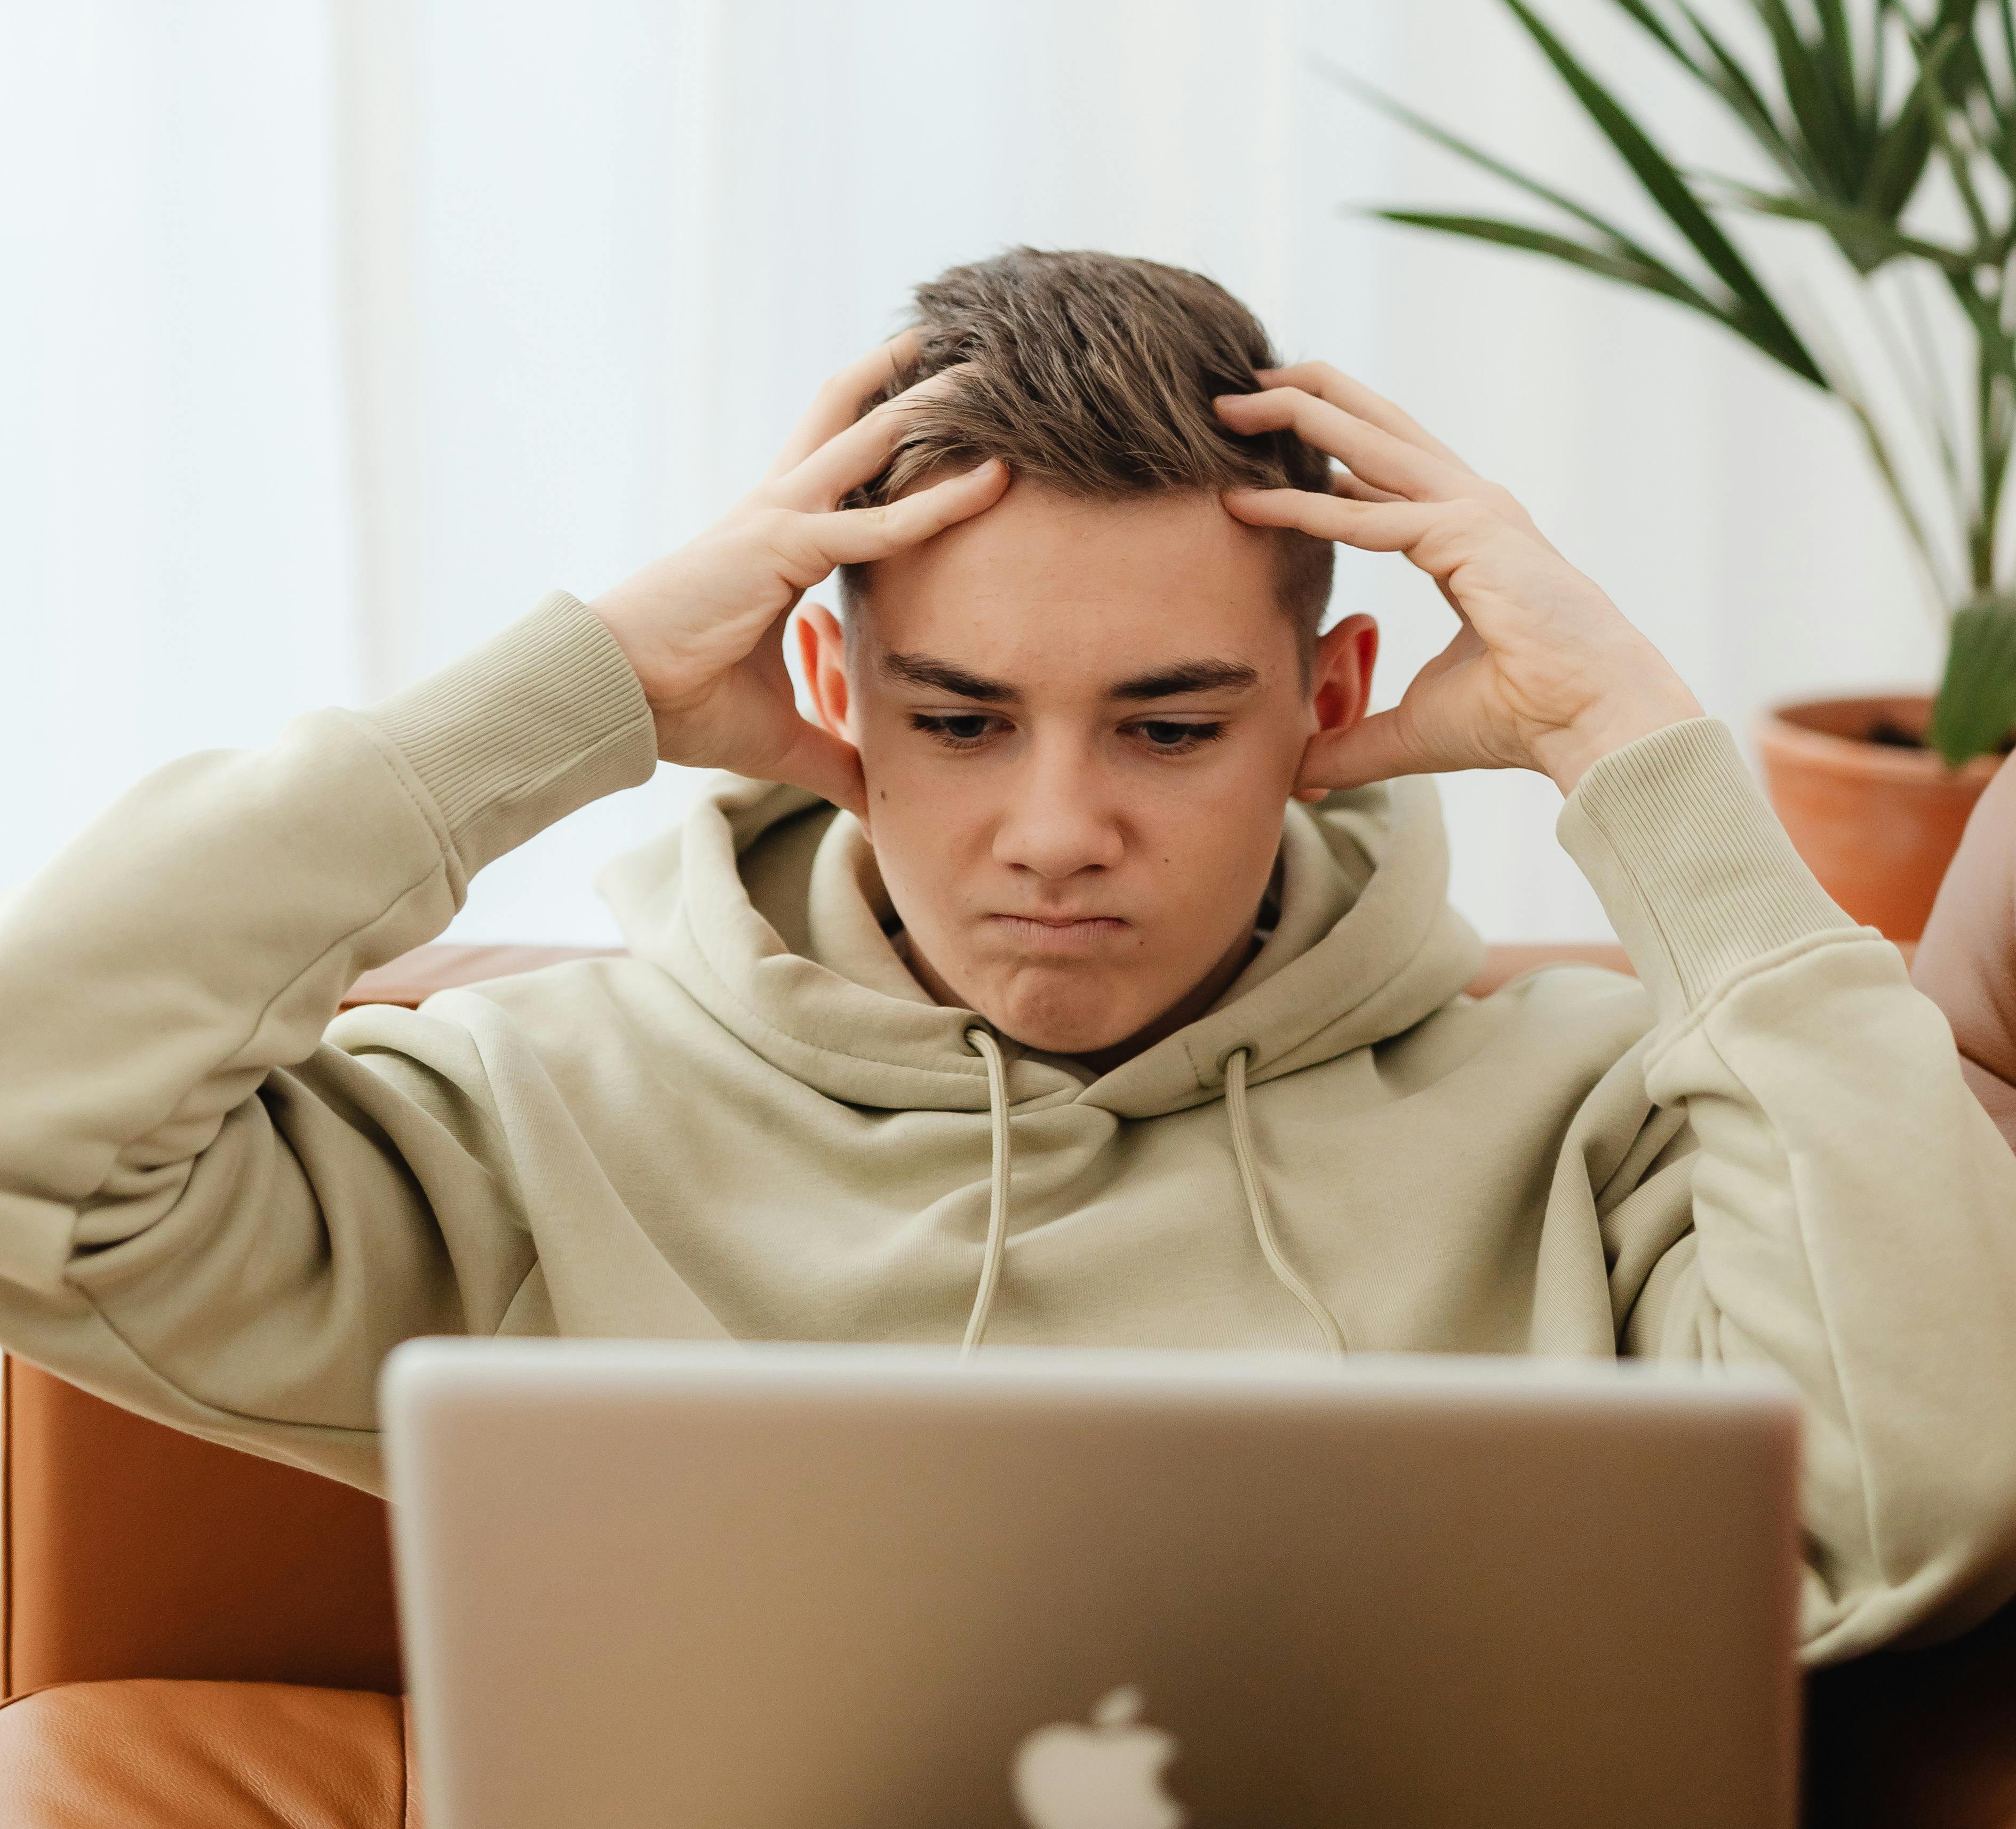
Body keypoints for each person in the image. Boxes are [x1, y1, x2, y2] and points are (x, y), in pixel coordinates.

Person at [2, 245, 2014, 1667]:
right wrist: (578, 687)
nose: (1057, 828)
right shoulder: (544, 1116)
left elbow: (1918, 1500)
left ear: (1322, 702)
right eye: (959, 720)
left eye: (1167, 724)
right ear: (823, 678)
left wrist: (1634, 745)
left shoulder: (1586, 1120)